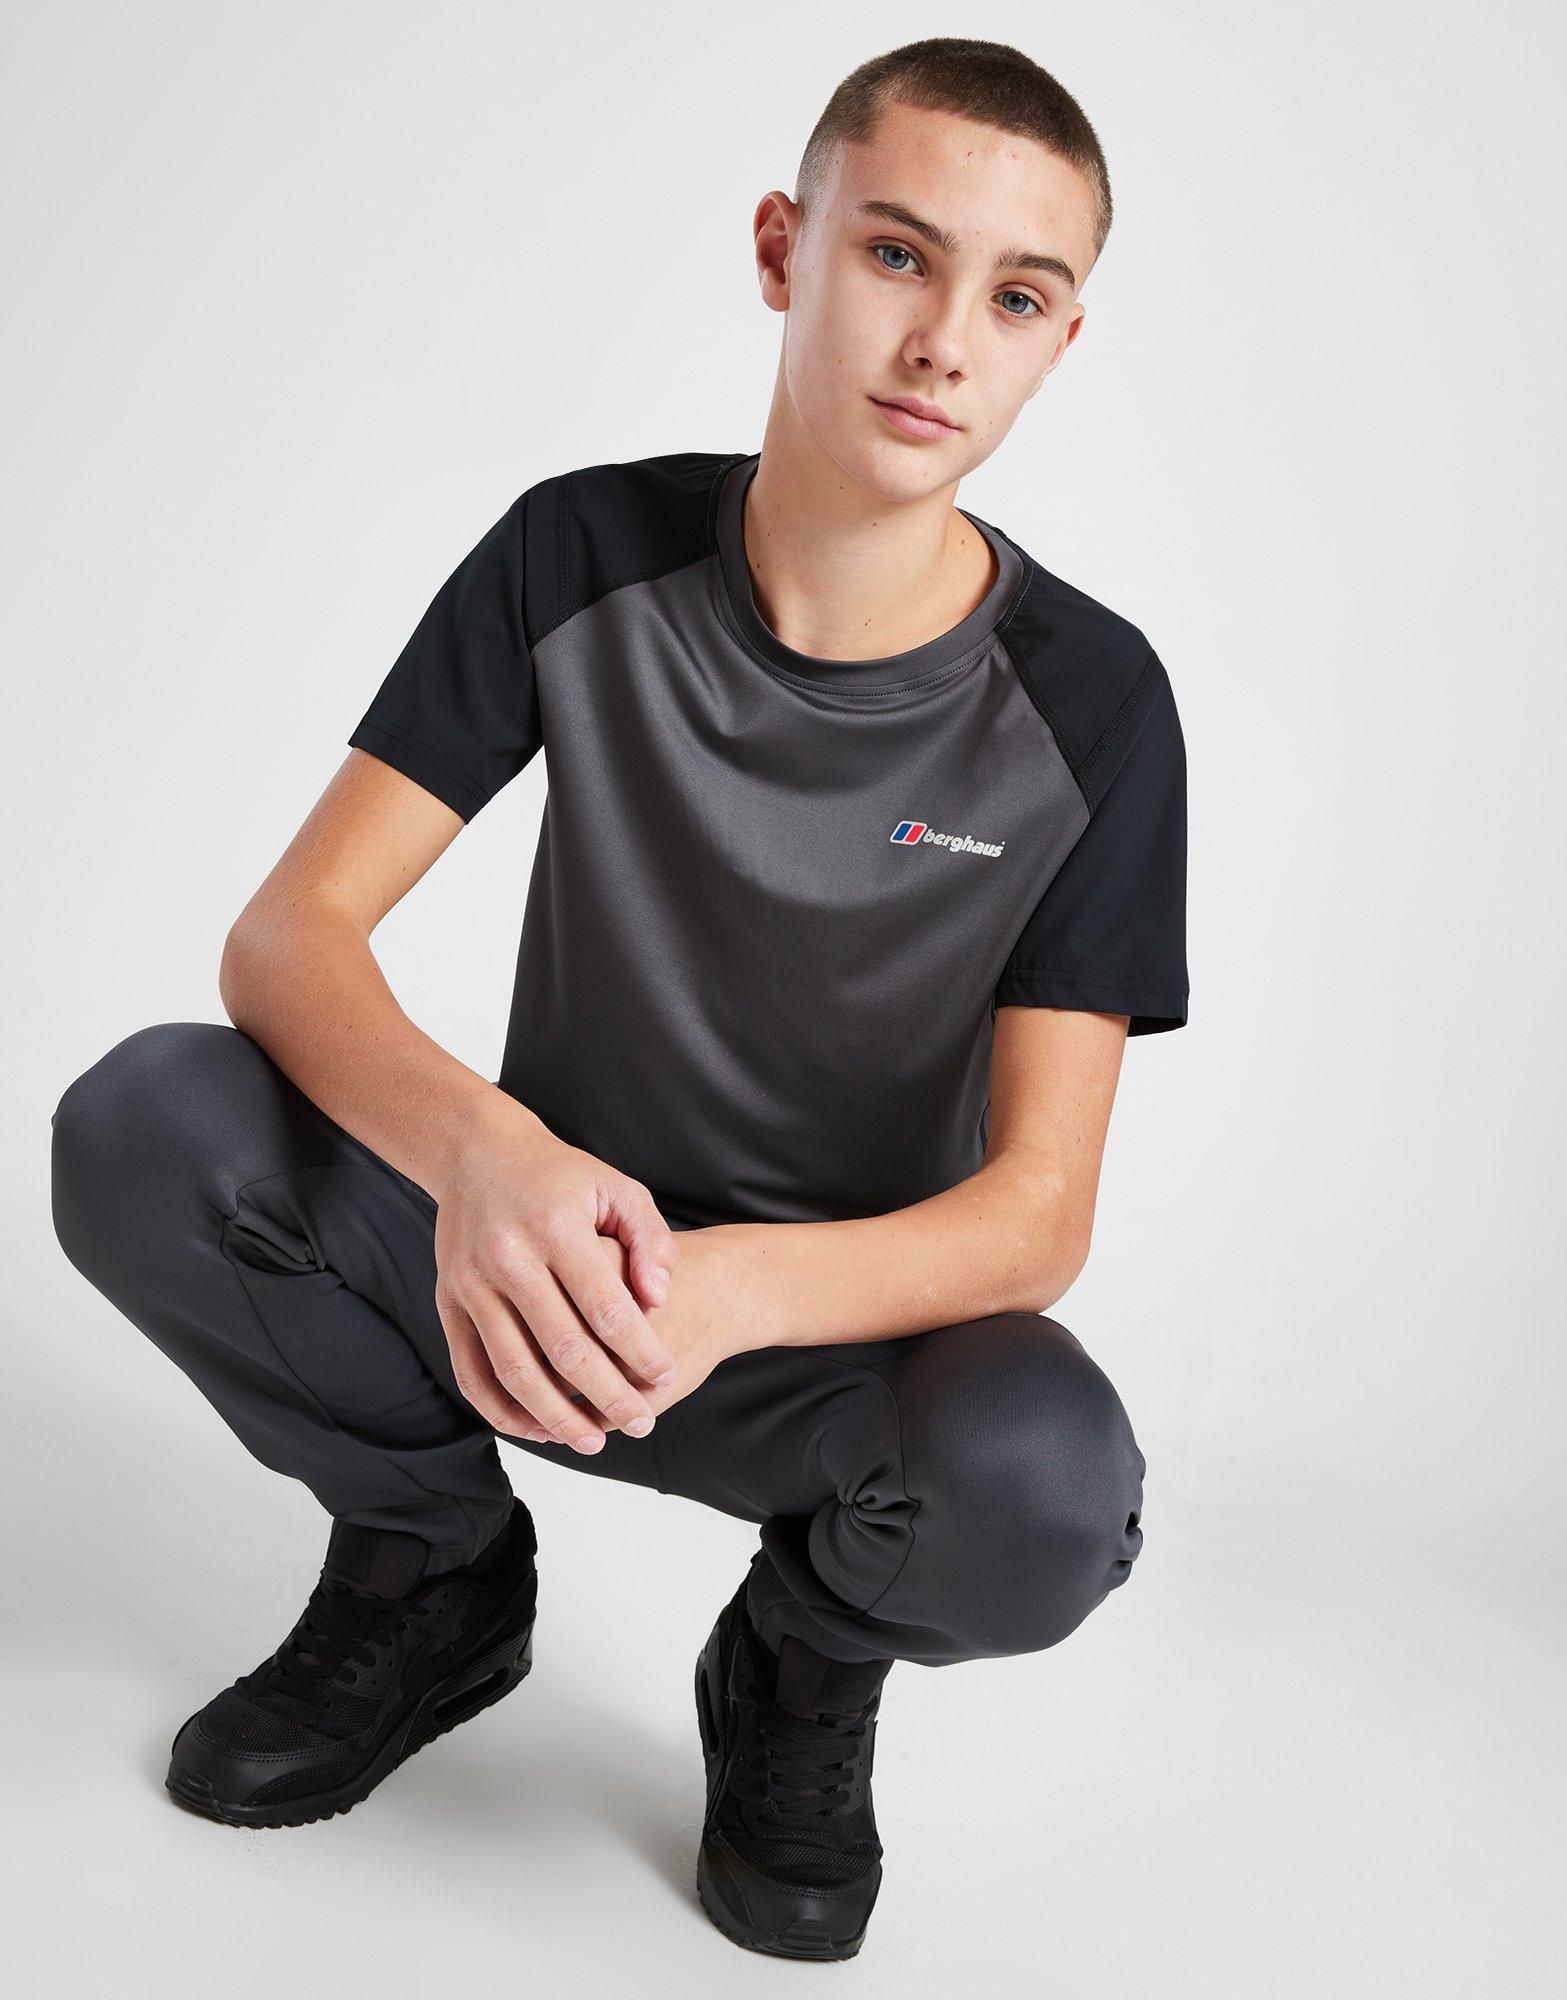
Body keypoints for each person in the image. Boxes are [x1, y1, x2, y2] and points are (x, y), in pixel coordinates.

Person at [50, 34, 1188, 1963]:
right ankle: (432, 1569)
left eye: (1016, 298)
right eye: (896, 254)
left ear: (1061, 343)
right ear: (784, 248)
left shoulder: (1096, 704)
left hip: (810, 1347)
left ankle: (800, 1669)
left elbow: (1037, 1213)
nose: (942, 342)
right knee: (149, 1124)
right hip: (513, 1275)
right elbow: (291, 936)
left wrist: (728, 1292)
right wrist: (488, 1163)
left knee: (1050, 1488)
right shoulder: (578, 552)